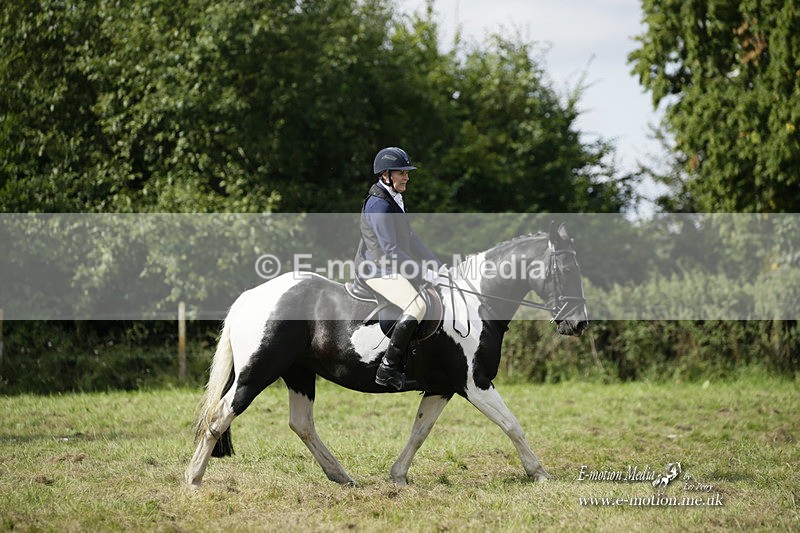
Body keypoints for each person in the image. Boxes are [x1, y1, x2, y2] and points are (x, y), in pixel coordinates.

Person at [355, 147, 444, 390]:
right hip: (376, 269)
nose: (407, 177)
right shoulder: (379, 204)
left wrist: (438, 266)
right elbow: (390, 250)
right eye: (401, 173)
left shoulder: (393, 197)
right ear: (385, 174)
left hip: (391, 265)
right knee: (417, 306)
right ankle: (388, 367)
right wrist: (424, 272)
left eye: (407, 172)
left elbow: (412, 238)